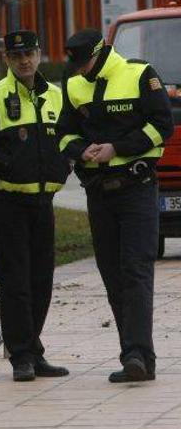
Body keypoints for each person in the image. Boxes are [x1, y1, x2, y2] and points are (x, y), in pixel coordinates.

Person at [57, 28, 173, 383]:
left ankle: (137, 354)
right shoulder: (74, 84)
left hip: (136, 187)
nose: (81, 70)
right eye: (76, 64)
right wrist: (82, 150)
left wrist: (117, 148)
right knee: (112, 275)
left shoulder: (139, 74)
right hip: (98, 191)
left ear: (102, 52)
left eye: (85, 62)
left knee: (135, 270)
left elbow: (162, 127)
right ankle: (134, 356)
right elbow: (63, 132)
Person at [0, 30, 71, 382]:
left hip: (42, 202)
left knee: (41, 280)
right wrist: (10, 165)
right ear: (5, 59)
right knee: (16, 282)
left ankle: (33, 350)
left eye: (30, 54)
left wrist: (63, 165)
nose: (25, 61)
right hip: (4, 203)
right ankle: (20, 356)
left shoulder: (56, 96)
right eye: (17, 55)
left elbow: (69, 139)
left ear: (40, 54)